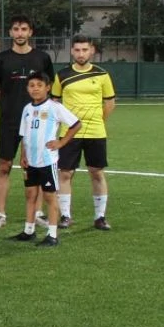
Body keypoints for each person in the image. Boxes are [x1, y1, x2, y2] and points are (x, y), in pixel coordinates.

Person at [0, 15, 55, 229]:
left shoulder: (42, 58)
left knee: (39, 167)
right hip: (9, 121)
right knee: (4, 165)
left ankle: (39, 212)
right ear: (11, 32)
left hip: (37, 125)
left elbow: (50, 85)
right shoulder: (1, 59)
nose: (20, 33)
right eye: (16, 29)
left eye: (24, 29)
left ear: (30, 32)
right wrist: (5, 100)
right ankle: (0, 214)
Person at [52, 35, 116, 231]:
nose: (81, 54)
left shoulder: (102, 75)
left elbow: (109, 103)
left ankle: (100, 217)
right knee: (65, 173)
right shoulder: (61, 75)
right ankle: (65, 216)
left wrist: (98, 121)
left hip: (95, 132)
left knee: (96, 172)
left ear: (92, 51)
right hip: (69, 132)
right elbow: (54, 105)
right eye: (77, 50)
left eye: (84, 50)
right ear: (72, 51)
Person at [13, 72, 82, 247]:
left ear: (48, 87)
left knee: (50, 196)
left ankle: (52, 234)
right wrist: (23, 155)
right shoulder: (27, 109)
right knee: (30, 194)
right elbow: (24, 135)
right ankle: (29, 230)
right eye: (31, 85)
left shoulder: (54, 107)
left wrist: (61, 142)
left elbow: (76, 124)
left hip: (47, 160)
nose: (35, 88)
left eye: (39, 85)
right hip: (31, 161)